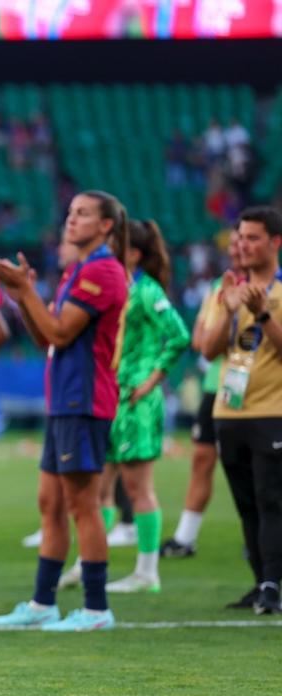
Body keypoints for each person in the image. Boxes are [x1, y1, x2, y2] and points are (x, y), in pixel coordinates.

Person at [0, 190, 130, 631]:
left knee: (82, 504)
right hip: (64, 399)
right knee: (50, 502)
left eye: (83, 213)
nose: (72, 219)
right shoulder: (78, 270)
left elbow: (61, 332)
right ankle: (43, 602)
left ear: (107, 225)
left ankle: (95, 607)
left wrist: (26, 291)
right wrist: (20, 297)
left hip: (84, 400)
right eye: (70, 212)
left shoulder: (103, 271)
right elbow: (46, 339)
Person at [98, 219, 188, 594]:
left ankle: (147, 571)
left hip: (137, 401)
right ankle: (90, 565)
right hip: (110, 396)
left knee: (137, 488)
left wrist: (151, 382)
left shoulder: (149, 292)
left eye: (113, 245)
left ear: (133, 253)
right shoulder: (121, 288)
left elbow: (179, 335)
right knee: (98, 488)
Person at [199, 206, 282, 614]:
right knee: (246, 503)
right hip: (229, 412)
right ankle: (259, 583)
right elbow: (208, 350)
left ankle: (272, 584)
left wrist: (264, 313)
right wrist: (231, 308)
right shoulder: (227, 289)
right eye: (241, 237)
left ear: (275, 242)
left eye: (253, 238)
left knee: (272, 500)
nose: (243, 245)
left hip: (273, 410)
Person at [161, 230, 244, 558]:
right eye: (235, 244)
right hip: (218, 386)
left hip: (259, 390)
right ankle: (185, 537)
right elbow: (200, 341)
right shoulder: (216, 289)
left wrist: (220, 337)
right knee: (202, 459)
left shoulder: (274, 289)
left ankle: (262, 537)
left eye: (247, 242)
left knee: (256, 468)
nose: (238, 250)